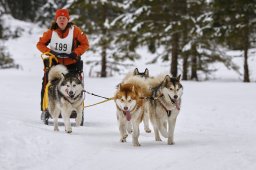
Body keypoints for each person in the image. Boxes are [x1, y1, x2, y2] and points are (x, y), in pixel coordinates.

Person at [36, 8, 89, 122]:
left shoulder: (75, 31)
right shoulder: (51, 32)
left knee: (75, 85)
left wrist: (75, 53)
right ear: (56, 20)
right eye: (59, 18)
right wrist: (50, 52)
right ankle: (45, 109)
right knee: (46, 83)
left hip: (72, 64)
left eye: (64, 18)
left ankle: (77, 109)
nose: (62, 20)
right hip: (55, 64)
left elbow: (85, 44)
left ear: (68, 19)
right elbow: (40, 44)